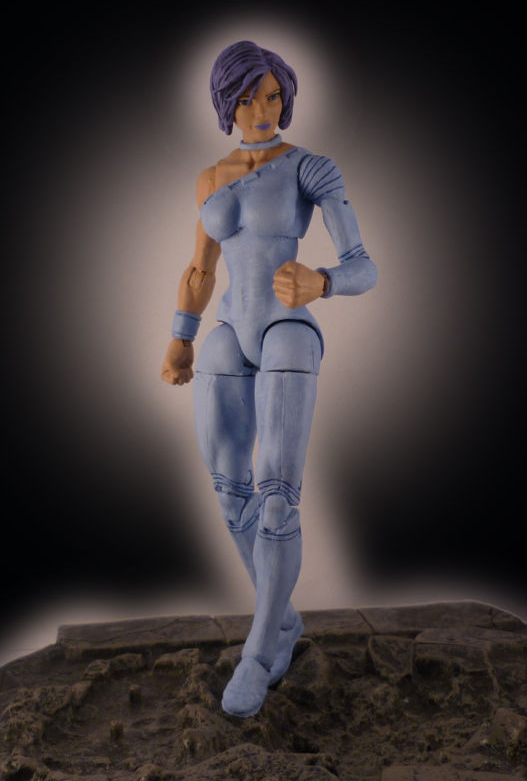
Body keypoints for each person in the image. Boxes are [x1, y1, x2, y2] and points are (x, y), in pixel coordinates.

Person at [161, 40, 377, 717]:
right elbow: (200, 268)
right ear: (226, 103)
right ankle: (281, 622)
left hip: (287, 329)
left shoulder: (310, 167)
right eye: (250, 98)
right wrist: (180, 339)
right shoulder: (211, 177)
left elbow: (364, 264)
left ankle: (258, 655)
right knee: (231, 495)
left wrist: (323, 281)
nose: (264, 109)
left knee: (277, 495)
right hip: (229, 329)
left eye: (274, 95)